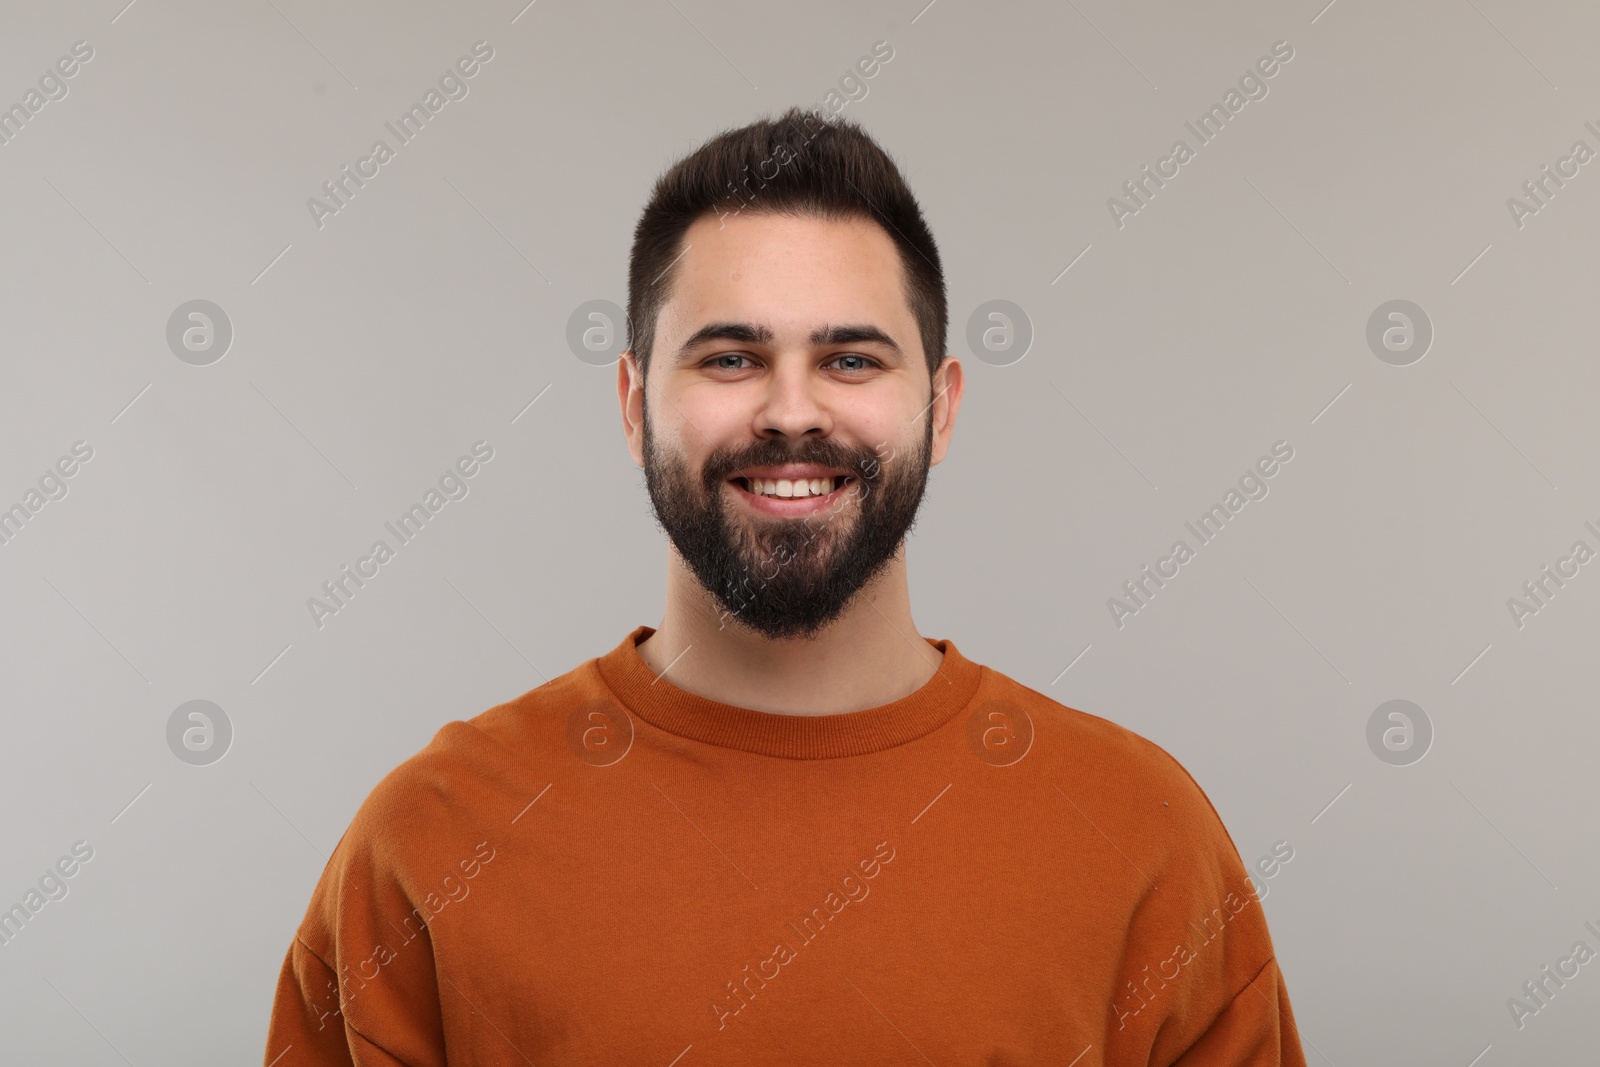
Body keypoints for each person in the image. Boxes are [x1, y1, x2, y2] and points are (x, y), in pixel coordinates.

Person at [263, 106, 1309, 1066]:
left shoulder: (1140, 834)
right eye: (729, 358)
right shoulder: (429, 841)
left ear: (941, 409)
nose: (791, 412)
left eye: (852, 360)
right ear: (633, 404)